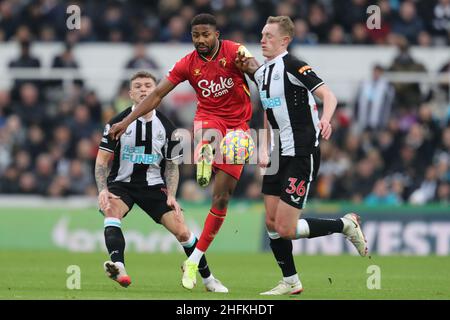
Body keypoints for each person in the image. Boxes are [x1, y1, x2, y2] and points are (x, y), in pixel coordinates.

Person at [108, 13, 259, 291]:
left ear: (217, 34)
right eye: (195, 36)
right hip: (209, 120)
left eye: (205, 35)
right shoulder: (187, 64)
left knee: (221, 199)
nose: (200, 40)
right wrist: (126, 120)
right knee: (207, 135)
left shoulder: (235, 51)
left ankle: (195, 260)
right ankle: (205, 153)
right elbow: (156, 96)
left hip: (239, 126)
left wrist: (255, 71)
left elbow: (255, 69)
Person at [236, 16, 368, 295]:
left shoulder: (294, 64)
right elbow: (269, 113)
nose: (263, 40)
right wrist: (263, 145)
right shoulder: (261, 75)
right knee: (271, 223)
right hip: (276, 153)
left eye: (269, 36)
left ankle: (344, 224)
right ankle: (291, 281)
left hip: (301, 151)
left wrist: (327, 120)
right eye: (262, 34)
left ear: (284, 40)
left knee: (285, 227)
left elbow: (328, 96)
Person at [95, 71, 228, 293]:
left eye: (148, 85)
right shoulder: (115, 123)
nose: (143, 89)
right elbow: (101, 162)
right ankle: (118, 266)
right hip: (121, 184)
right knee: (111, 209)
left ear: (157, 92)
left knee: (183, 232)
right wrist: (102, 190)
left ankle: (209, 280)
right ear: (130, 93)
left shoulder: (169, 129)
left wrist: (172, 195)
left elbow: (172, 166)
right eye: (137, 86)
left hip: (153, 185)